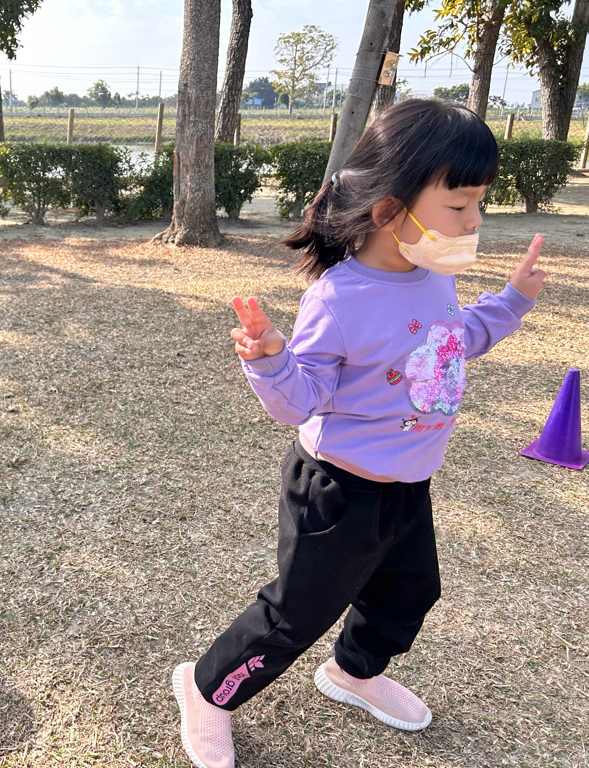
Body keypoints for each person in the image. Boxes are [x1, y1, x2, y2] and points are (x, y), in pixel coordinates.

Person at [171, 99, 547, 768]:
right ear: (388, 210)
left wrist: (513, 300)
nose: (475, 220)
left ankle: (352, 671)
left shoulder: (434, 279)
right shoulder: (339, 298)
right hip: (338, 492)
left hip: (408, 486)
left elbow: (452, 343)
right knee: (296, 614)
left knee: (409, 592)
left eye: (479, 203)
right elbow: (301, 401)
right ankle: (207, 690)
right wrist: (270, 360)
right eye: (459, 204)